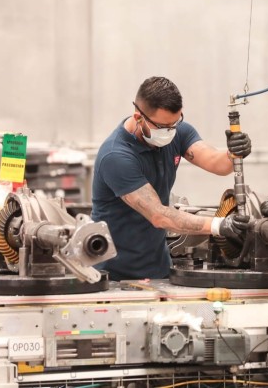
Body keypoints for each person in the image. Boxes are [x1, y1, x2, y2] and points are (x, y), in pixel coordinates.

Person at [91, 76, 252, 281]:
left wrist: (233, 153)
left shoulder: (176, 132)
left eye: (175, 123)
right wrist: (219, 225)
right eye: (163, 126)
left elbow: (216, 163)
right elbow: (159, 216)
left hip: (158, 271)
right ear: (139, 118)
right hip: (113, 276)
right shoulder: (116, 156)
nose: (170, 132)